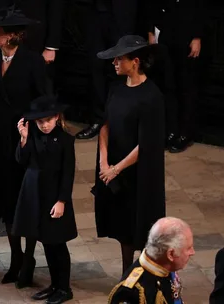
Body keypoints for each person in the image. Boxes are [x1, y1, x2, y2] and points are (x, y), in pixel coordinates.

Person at [0, 7, 47, 285]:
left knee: (24, 202)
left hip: (23, 141)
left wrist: (32, 131)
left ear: (12, 36)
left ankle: (28, 259)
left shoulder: (32, 62)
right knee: (6, 204)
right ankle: (16, 259)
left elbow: (42, 101)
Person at [93, 35, 166, 274]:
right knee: (122, 226)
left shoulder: (151, 96)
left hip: (139, 172)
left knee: (141, 224)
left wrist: (117, 168)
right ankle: (126, 273)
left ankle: (148, 276)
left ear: (135, 62)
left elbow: (147, 143)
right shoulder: (116, 88)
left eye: (119, 59)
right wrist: (104, 162)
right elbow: (105, 125)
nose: (114, 62)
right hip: (114, 166)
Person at [13, 95, 77, 304]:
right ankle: (55, 285)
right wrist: (23, 138)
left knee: (58, 243)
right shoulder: (32, 136)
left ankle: (64, 288)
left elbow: (68, 174)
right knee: (47, 243)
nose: (45, 125)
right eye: (40, 122)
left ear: (56, 117)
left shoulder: (66, 139)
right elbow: (22, 161)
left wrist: (62, 201)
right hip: (35, 195)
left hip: (54, 197)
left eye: (48, 120)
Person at [147, 0, 205, 152]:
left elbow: (200, 6)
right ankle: (171, 130)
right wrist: (151, 32)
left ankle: (186, 133)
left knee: (186, 87)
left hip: (187, 34)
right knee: (168, 85)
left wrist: (197, 37)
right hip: (166, 33)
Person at [75, 0, 138, 140]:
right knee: (95, 68)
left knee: (122, 68)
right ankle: (98, 121)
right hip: (95, 13)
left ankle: (121, 121)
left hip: (122, 14)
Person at [108, 217, 195, 303]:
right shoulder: (132, 293)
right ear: (170, 254)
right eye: (188, 248)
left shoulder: (165, 266)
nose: (192, 252)